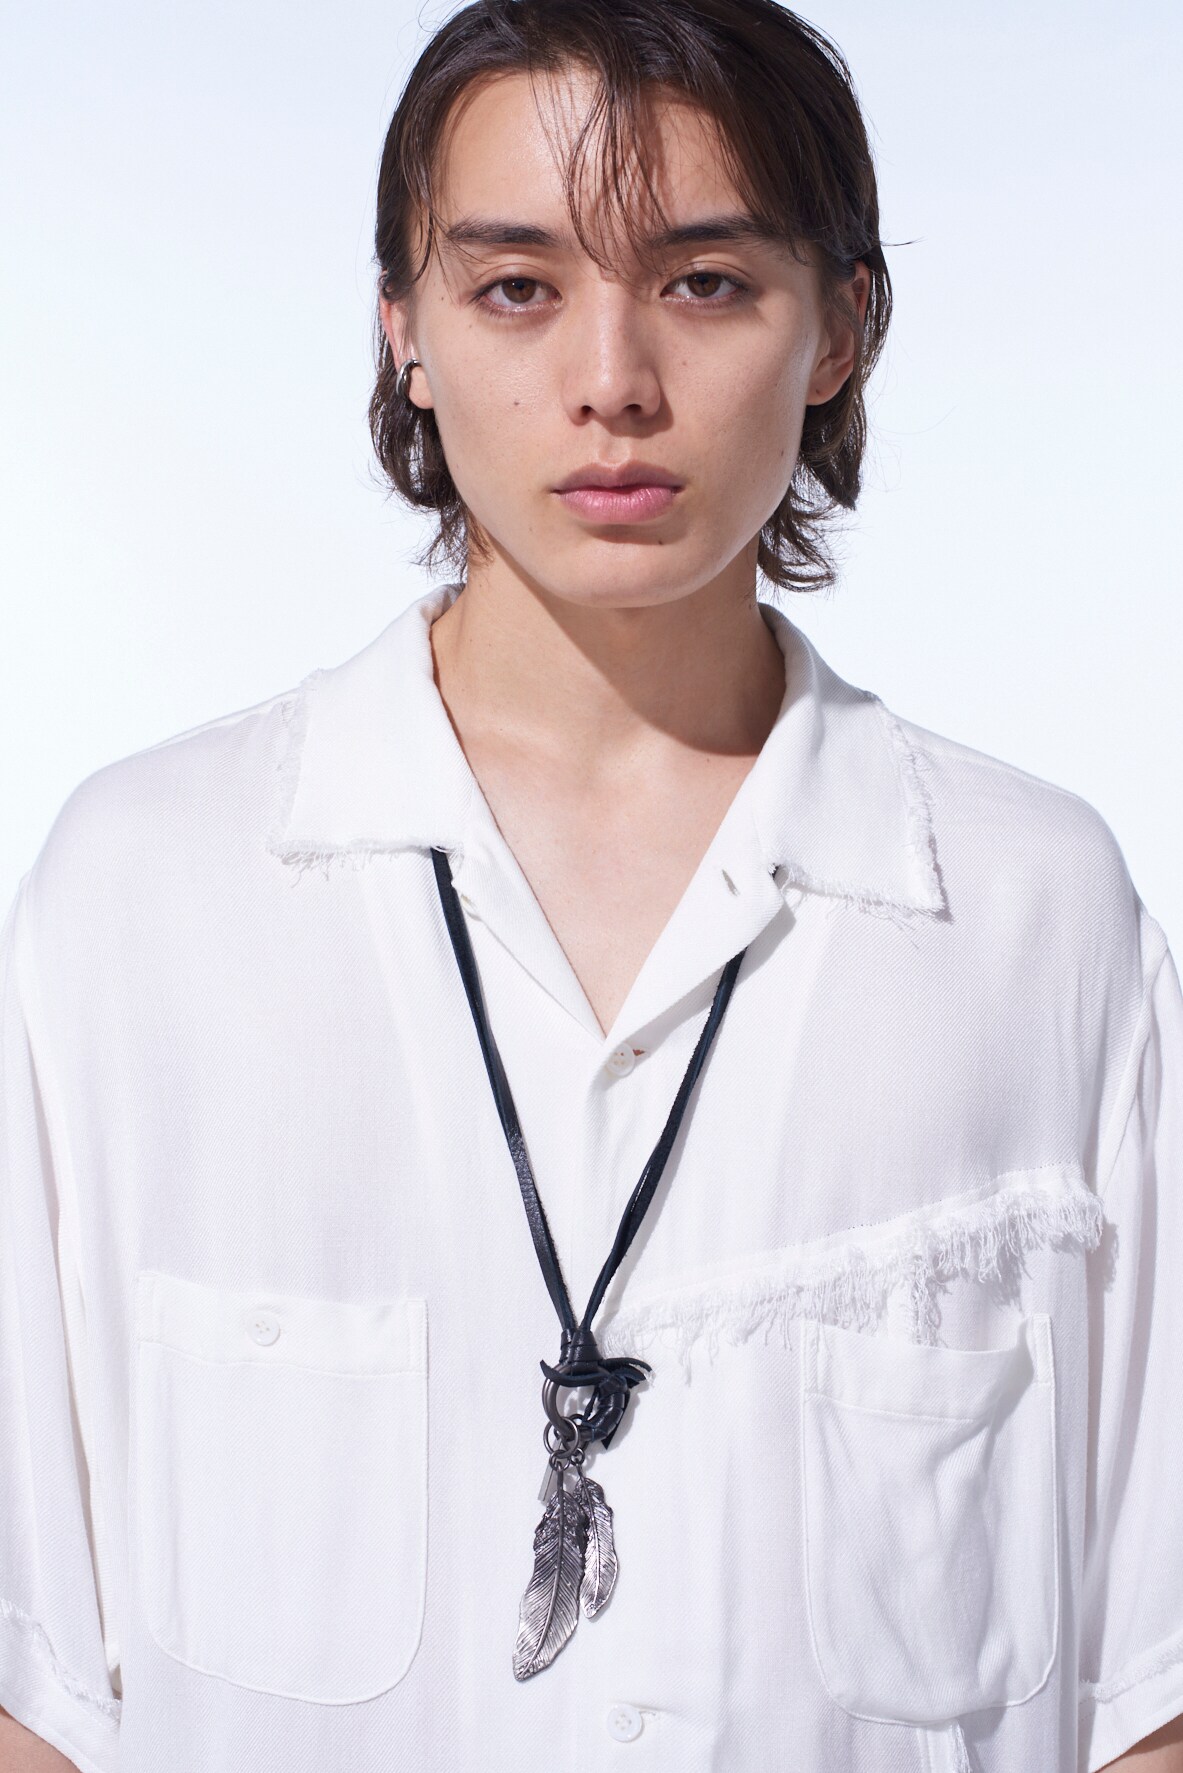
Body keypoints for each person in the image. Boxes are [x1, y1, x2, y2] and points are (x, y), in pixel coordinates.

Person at [1, 0, 1181, 1769]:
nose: (612, 380)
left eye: (704, 282)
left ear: (843, 328)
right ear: (402, 332)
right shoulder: (144, 898)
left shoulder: (1034, 917)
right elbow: (39, 1689)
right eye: (516, 287)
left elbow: (1145, 1694)